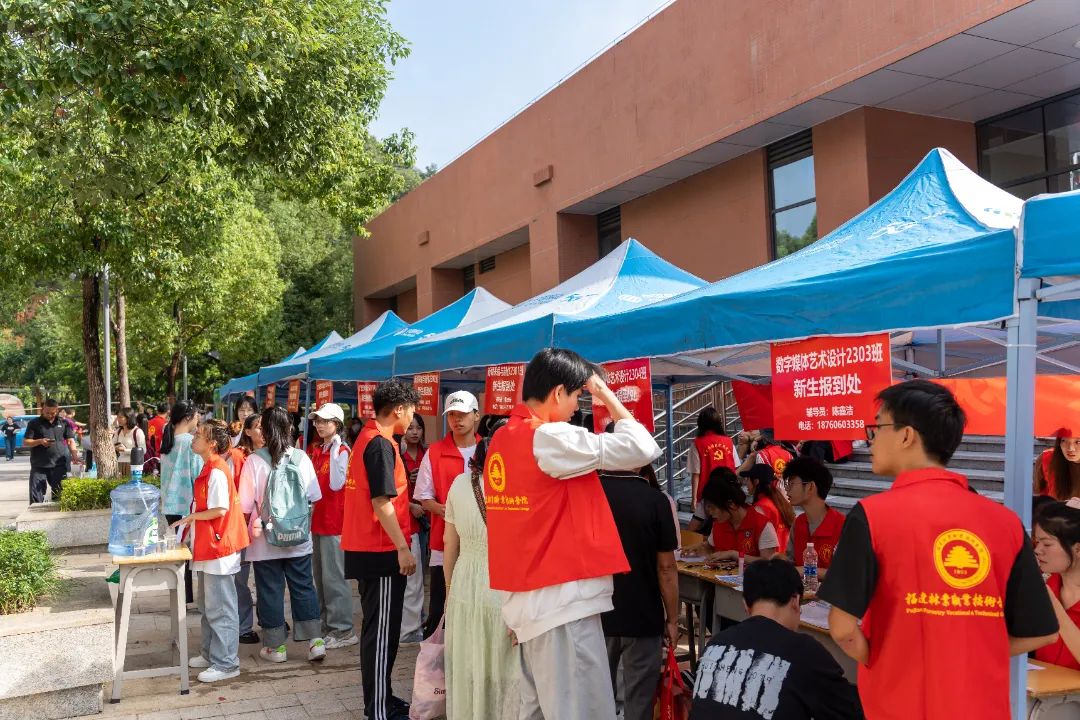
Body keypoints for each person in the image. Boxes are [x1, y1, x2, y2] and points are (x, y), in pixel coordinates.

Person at [818, 379, 1058, 720]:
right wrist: (973, 652)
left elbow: (842, 628)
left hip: (900, 706)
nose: (870, 441)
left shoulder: (872, 515)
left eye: (877, 428)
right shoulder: (1006, 522)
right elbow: (1042, 631)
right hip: (982, 708)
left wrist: (882, 657)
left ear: (906, 436)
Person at [484, 348, 661, 719]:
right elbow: (642, 448)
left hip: (530, 603)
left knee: (538, 711)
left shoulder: (502, 439)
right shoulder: (550, 437)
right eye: (578, 396)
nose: (577, 407)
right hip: (562, 605)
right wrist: (606, 394)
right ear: (557, 392)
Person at [690, 558, 864, 720]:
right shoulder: (805, 652)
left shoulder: (716, 642)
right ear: (796, 601)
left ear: (746, 605)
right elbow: (854, 712)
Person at [341, 380, 419, 720]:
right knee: (382, 633)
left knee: (380, 629)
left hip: (372, 547)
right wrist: (403, 548)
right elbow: (381, 502)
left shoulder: (371, 438)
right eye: (412, 410)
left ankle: (382, 698)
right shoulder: (380, 444)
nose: (413, 417)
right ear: (399, 409)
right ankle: (378, 709)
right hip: (380, 549)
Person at [443, 418, 521, 719]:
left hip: (464, 583)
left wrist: (449, 590)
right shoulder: (517, 487)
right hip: (505, 584)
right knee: (505, 664)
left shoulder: (458, 484)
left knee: (470, 660)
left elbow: (450, 544)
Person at [238, 406, 326, 664]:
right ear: (289, 428)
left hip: (265, 541)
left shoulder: (254, 461)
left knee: (269, 591)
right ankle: (315, 642)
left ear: (263, 431)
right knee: (304, 586)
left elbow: (245, 505)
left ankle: (276, 647)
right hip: (299, 538)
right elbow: (314, 497)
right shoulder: (301, 458)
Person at [598, 462, 679, 720]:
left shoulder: (589, 494)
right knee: (640, 701)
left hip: (596, 614)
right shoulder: (656, 500)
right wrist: (673, 619)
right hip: (643, 615)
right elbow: (666, 567)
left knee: (596, 698)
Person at [172, 420, 249, 683]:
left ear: (212, 443)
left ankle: (227, 663)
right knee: (207, 606)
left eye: (199, 435)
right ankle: (210, 654)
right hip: (210, 546)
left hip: (220, 547)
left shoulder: (216, 470)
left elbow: (219, 509)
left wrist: (191, 517)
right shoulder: (210, 466)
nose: (194, 438)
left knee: (221, 608)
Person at [416, 390, 480, 638]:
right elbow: (424, 496)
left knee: (476, 603)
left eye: (463, 414)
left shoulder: (488, 449)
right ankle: (437, 654)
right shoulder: (435, 452)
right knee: (441, 605)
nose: (457, 420)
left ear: (476, 415)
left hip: (481, 545)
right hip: (444, 542)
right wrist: (444, 510)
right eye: (452, 415)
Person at [307, 402, 358, 649]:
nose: (319, 425)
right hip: (318, 522)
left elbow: (337, 484)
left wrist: (337, 448)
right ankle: (328, 626)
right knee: (321, 578)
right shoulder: (318, 450)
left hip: (335, 524)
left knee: (335, 579)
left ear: (336, 424)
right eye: (317, 420)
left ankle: (343, 629)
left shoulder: (342, 450)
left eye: (325, 421)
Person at [161, 400, 204, 605]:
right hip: (187, 504)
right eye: (196, 415)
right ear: (188, 417)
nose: (198, 419)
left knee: (179, 553)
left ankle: (181, 597)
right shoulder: (189, 442)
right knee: (186, 553)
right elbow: (199, 474)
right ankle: (185, 599)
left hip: (170, 505)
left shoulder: (168, 439)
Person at [688, 469, 780, 562]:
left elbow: (768, 563)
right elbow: (711, 548)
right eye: (708, 508)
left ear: (731, 504)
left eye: (713, 508)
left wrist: (733, 555)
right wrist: (699, 549)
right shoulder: (718, 524)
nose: (710, 513)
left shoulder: (762, 525)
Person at [1033, 501, 1080, 670]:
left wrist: (1053, 604)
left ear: (1078, 549)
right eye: (1037, 542)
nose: (1038, 550)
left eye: (1047, 544)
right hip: (1041, 684)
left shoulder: (1046, 592)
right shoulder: (1045, 584)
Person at [230, 414, 260, 644]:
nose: (263, 431)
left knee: (268, 576)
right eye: (258, 427)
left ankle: (272, 619)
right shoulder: (238, 455)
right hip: (241, 525)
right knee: (240, 579)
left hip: (267, 527)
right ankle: (243, 626)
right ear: (247, 431)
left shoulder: (273, 453)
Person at [782, 457, 845, 568]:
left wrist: (803, 571)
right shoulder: (798, 523)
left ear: (810, 487)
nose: (786, 489)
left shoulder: (842, 526)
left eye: (791, 484)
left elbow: (845, 573)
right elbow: (790, 562)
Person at [399, 414, 427, 644]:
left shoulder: (428, 454)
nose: (414, 432)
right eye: (410, 428)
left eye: (418, 428)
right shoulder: (398, 456)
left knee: (421, 577)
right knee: (412, 579)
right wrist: (410, 505)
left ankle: (417, 619)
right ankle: (409, 629)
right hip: (407, 524)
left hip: (430, 520)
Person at [24, 398, 78, 504]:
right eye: (47, 412)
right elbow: (26, 442)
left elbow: (71, 440)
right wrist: (40, 441)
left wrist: (75, 456)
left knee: (60, 496)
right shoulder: (34, 423)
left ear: (57, 410)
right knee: (35, 497)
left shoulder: (63, 422)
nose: (50, 415)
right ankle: (35, 513)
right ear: (43, 409)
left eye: (53, 413)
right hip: (39, 465)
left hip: (59, 464)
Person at [740, 463, 795, 553]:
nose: (746, 483)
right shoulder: (779, 501)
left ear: (756, 481)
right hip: (784, 554)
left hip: (772, 556)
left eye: (747, 479)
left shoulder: (760, 507)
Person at [690, 407, 737, 506]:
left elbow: (696, 473)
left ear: (700, 423)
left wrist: (694, 499)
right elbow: (735, 466)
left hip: (707, 494)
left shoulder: (697, 443)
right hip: (728, 491)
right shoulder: (729, 441)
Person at [1035, 429, 1080, 499]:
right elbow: (1040, 491)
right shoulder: (1047, 459)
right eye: (1064, 441)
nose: (1071, 448)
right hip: (1055, 505)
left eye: (1078, 442)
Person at [113, 407, 146, 477]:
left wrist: (125, 450)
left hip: (134, 466)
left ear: (128, 418)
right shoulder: (118, 431)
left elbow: (143, 450)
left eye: (121, 417)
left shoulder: (138, 431)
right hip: (120, 463)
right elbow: (111, 445)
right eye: (117, 417)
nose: (118, 419)